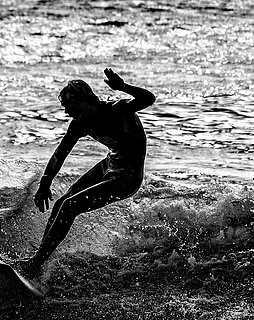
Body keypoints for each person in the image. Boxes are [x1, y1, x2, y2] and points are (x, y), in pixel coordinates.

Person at [20, 68, 155, 296]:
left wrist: (122, 87)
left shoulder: (119, 110)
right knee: (63, 201)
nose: (68, 113)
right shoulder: (80, 124)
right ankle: (40, 257)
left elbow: (148, 99)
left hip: (127, 176)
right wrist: (44, 184)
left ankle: (36, 262)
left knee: (70, 207)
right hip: (111, 164)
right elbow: (60, 152)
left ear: (84, 99)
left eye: (70, 107)